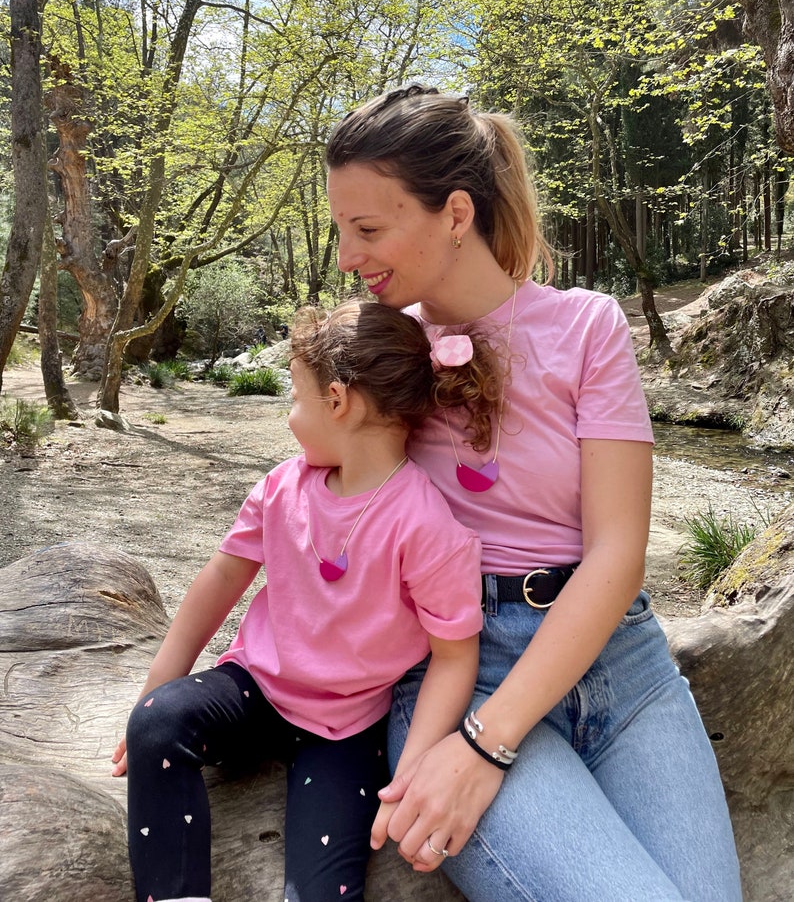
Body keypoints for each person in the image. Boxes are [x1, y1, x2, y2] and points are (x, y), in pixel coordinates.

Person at [324, 85, 743, 902]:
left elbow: (618, 551)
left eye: (368, 228)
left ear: (454, 212)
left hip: (623, 666)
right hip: (459, 670)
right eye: (343, 228)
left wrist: (488, 747)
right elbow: (311, 516)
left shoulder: (587, 326)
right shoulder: (379, 350)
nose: (347, 255)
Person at [111, 297, 502, 902]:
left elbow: (455, 656)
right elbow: (218, 582)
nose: (291, 416)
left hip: (346, 729)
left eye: (296, 397)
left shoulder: (428, 528)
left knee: (320, 890)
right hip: (255, 689)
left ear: (338, 400)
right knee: (159, 724)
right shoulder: (281, 487)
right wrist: (154, 696)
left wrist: (413, 773)